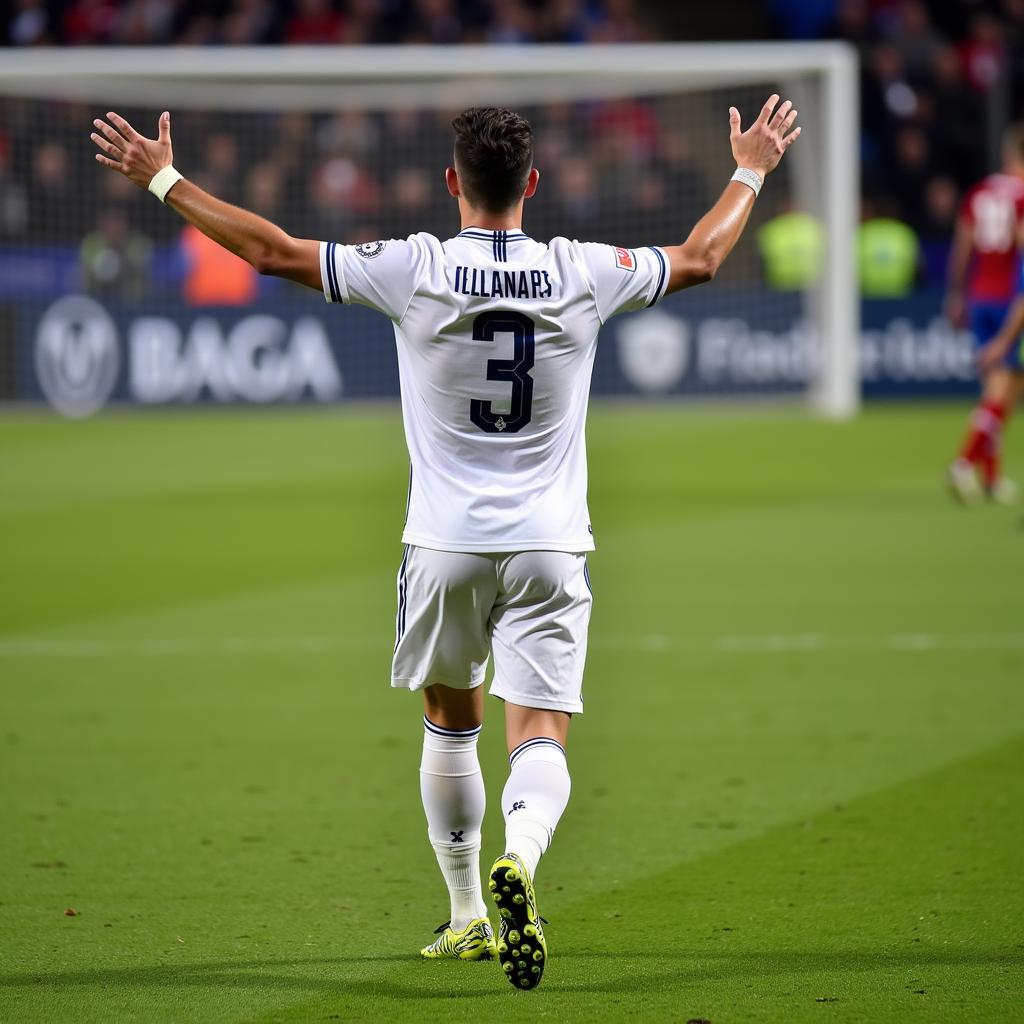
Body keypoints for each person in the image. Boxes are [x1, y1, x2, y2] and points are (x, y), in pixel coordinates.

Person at [90, 97, 800, 990]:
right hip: (550, 543)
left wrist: (160, 175)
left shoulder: (414, 267)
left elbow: (270, 250)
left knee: (449, 721)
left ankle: (468, 912)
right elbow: (700, 256)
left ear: (450, 183)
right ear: (533, 186)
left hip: (443, 544)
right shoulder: (584, 271)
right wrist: (751, 170)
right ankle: (524, 865)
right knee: (539, 730)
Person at [945, 126, 1024, 505]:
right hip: (1012, 300)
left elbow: (963, 245)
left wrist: (956, 293)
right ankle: (963, 463)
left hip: (979, 295)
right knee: (1004, 390)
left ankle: (991, 479)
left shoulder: (979, 192)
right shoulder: (1022, 197)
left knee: (993, 390)